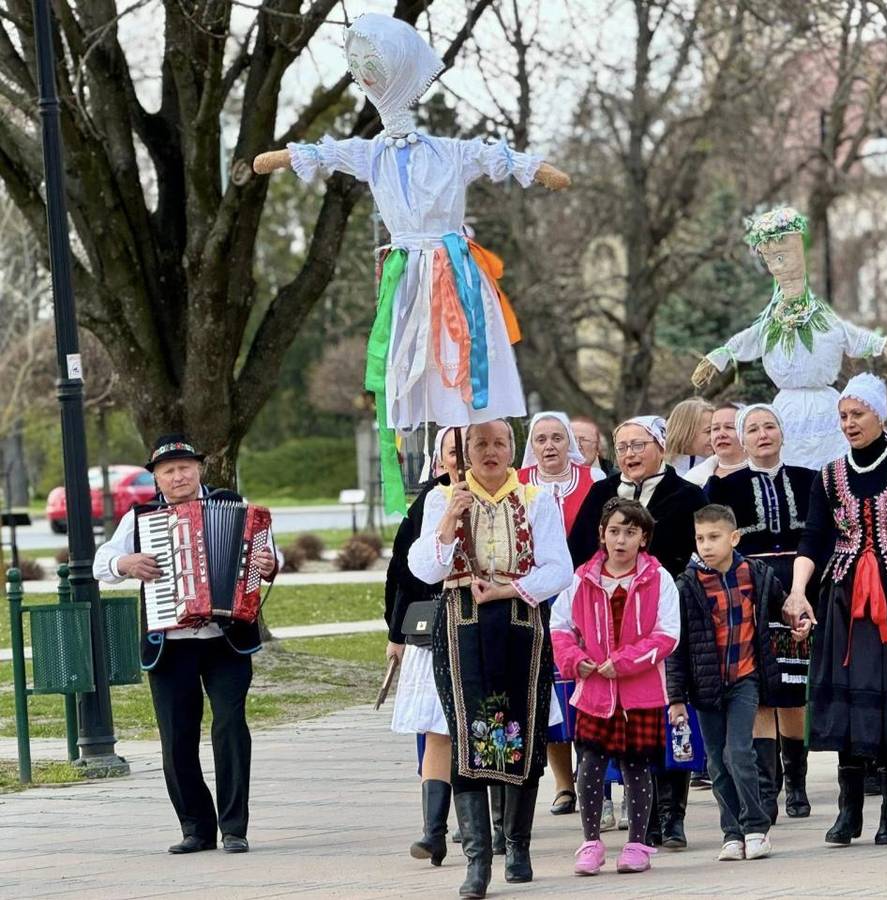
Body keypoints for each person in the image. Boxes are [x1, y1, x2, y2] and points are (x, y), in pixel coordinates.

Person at [253, 15, 570, 511]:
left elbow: (492, 156)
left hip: (452, 270)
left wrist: (534, 169)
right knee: (411, 359)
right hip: (407, 273)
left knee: (461, 359)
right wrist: (286, 157)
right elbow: (326, 152)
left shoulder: (448, 153)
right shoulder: (372, 153)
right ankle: (441, 470)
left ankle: (473, 454)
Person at [94, 435, 280, 855]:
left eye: (185, 467)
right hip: (170, 643)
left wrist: (269, 564)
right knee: (177, 738)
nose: (178, 476)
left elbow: (266, 553)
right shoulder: (141, 519)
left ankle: (234, 827)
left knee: (230, 727)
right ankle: (196, 828)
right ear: (156, 477)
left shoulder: (233, 504)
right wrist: (124, 563)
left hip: (225, 640)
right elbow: (100, 563)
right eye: (169, 470)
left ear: (199, 469)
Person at [409, 420, 573, 897]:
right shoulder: (443, 497)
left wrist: (506, 588)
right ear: (463, 452)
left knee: (521, 729)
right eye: (480, 443)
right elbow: (424, 570)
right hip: (459, 623)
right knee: (467, 734)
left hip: (521, 622)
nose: (491, 451)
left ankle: (517, 844)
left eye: (500, 443)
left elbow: (558, 569)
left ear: (511, 449)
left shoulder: (536, 499)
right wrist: (446, 522)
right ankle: (477, 859)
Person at [784, 374, 887, 847]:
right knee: (849, 699)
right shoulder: (830, 475)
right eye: (843, 416)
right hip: (844, 601)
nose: (849, 423)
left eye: (857, 414)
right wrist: (798, 592)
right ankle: (848, 810)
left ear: (879, 415)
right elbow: (813, 538)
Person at [569, 416, 708, 850]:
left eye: (639, 444)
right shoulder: (600, 493)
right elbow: (578, 553)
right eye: (622, 446)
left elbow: (698, 551)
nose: (630, 454)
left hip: (666, 615)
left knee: (670, 714)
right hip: (606, 623)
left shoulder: (686, 494)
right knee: (619, 732)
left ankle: (672, 816)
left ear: (661, 447)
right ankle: (640, 822)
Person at [692, 206, 887, 470]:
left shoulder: (822, 317)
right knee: (789, 462)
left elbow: (847, 332)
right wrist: (720, 356)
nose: (778, 266)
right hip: (787, 409)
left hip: (824, 406)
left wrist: (883, 348)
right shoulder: (771, 321)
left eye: (782, 258)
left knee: (833, 462)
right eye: (771, 260)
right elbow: (745, 340)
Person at [551, 498, 680, 876]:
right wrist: (576, 660)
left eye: (630, 532)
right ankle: (591, 843)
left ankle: (637, 844)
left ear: (644, 538)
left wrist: (622, 663)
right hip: (593, 692)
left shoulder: (659, 579)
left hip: (641, 692)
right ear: (601, 535)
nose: (620, 539)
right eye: (614, 531)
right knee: (589, 764)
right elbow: (560, 627)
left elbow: (667, 635)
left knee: (637, 765)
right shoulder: (581, 579)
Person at [705, 403, 817, 821]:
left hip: (801, 588)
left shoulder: (809, 480)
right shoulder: (722, 488)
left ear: (782, 433)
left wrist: (801, 590)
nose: (762, 434)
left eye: (770, 426)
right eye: (752, 429)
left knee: (792, 686)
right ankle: (768, 790)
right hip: (749, 591)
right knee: (760, 691)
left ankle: (798, 782)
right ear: (742, 438)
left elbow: (818, 540)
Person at [667, 504, 792, 861]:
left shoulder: (756, 573)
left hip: (745, 679)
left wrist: (795, 615)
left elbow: (781, 605)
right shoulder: (688, 585)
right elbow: (677, 646)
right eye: (700, 538)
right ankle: (731, 832)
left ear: (734, 537)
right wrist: (675, 697)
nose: (706, 545)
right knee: (716, 763)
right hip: (706, 687)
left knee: (738, 752)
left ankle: (756, 827)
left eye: (714, 537)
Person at [385, 426, 460, 867]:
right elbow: (407, 574)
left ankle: (495, 827)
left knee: (487, 725)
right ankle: (434, 831)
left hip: (491, 621)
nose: (464, 458)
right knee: (437, 727)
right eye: (455, 451)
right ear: (441, 459)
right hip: (436, 625)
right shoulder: (432, 502)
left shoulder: (519, 496)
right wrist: (396, 634)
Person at [517, 411, 598, 816]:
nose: (549, 446)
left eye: (556, 438)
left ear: (570, 442)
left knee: (583, 682)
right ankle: (564, 785)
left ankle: (593, 774)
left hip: (585, 594)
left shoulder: (593, 483)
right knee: (546, 687)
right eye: (541, 439)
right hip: (535, 597)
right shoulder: (516, 486)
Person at [685, 403, 748, 486]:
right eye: (715, 428)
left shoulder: (766, 470)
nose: (721, 434)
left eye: (729, 427)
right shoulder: (692, 481)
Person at [665, 398, 714, 477]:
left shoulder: (720, 471)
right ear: (685, 432)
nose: (715, 436)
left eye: (715, 430)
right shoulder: (659, 473)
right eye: (708, 431)